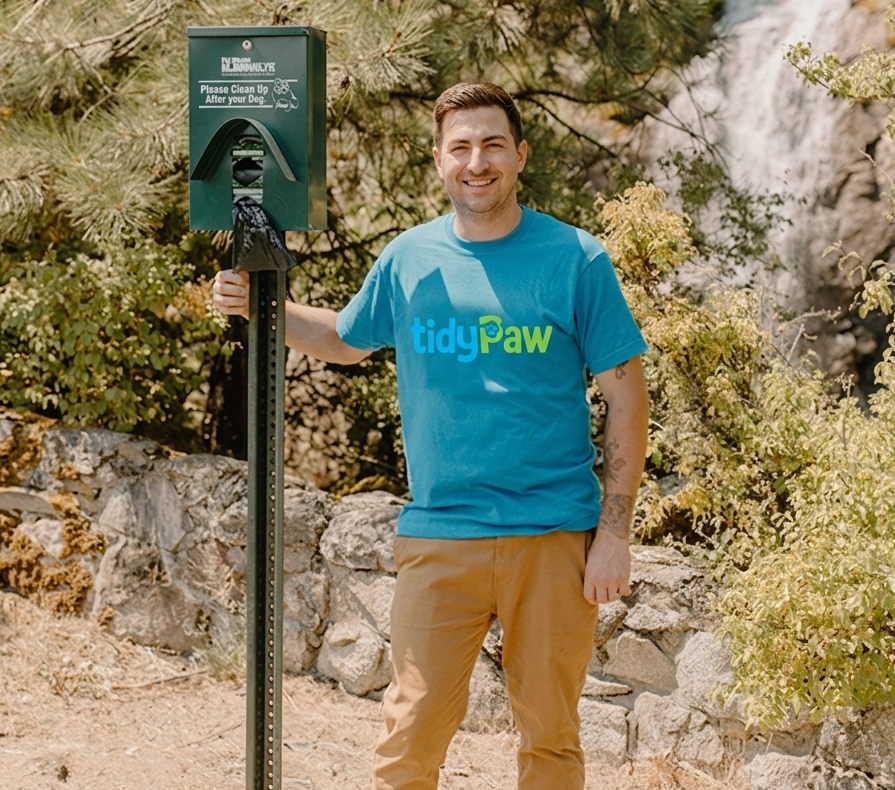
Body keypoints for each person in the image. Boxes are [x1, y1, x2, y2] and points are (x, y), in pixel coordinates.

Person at [213, 82, 649, 790]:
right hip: (440, 533)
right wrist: (261, 305)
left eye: (492, 145)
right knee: (409, 738)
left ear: (520, 155)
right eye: (461, 147)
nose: (477, 162)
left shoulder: (576, 258)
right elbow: (344, 339)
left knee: (550, 738)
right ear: (439, 160)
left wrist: (614, 534)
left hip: (553, 538)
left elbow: (627, 398)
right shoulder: (408, 258)